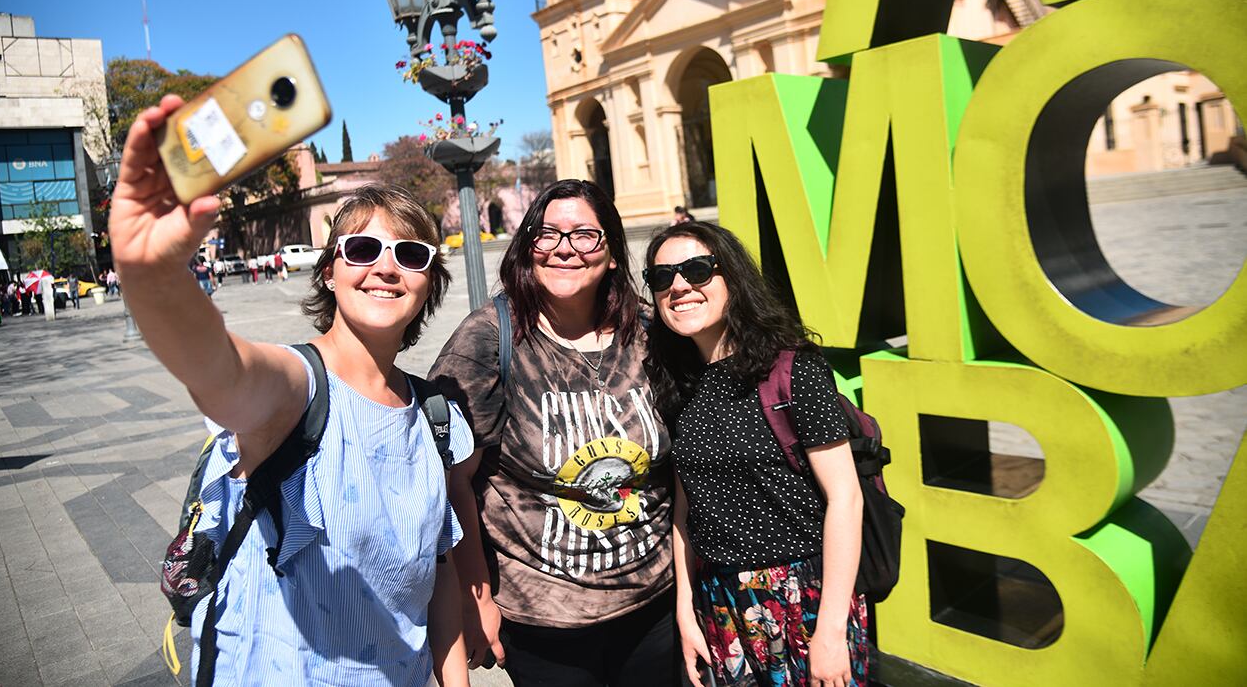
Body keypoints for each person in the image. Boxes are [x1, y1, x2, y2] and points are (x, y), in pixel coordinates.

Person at [109, 93, 473, 687]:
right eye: (361, 249)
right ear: (329, 271)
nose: (386, 268)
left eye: (409, 254)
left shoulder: (433, 415)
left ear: (429, 281)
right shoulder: (297, 389)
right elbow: (223, 374)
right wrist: (153, 278)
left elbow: (438, 577)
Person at [429, 178, 677, 687]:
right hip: (545, 622)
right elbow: (448, 479)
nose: (565, 248)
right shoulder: (491, 338)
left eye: (586, 234)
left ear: (611, 254)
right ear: (527, 249)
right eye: (547, 234)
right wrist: (475, 595)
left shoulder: (647, 333)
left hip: (656, 606)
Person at [642, 221, 868, 687]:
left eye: (697, 270)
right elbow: (687, 509)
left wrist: (829, 632)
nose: (679, 286)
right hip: (719, 603)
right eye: (662, 278)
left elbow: (845, 498)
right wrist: (685, 608)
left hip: (803, 599)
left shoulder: (793, 368)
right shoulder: (675, 383)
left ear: (733, 278)